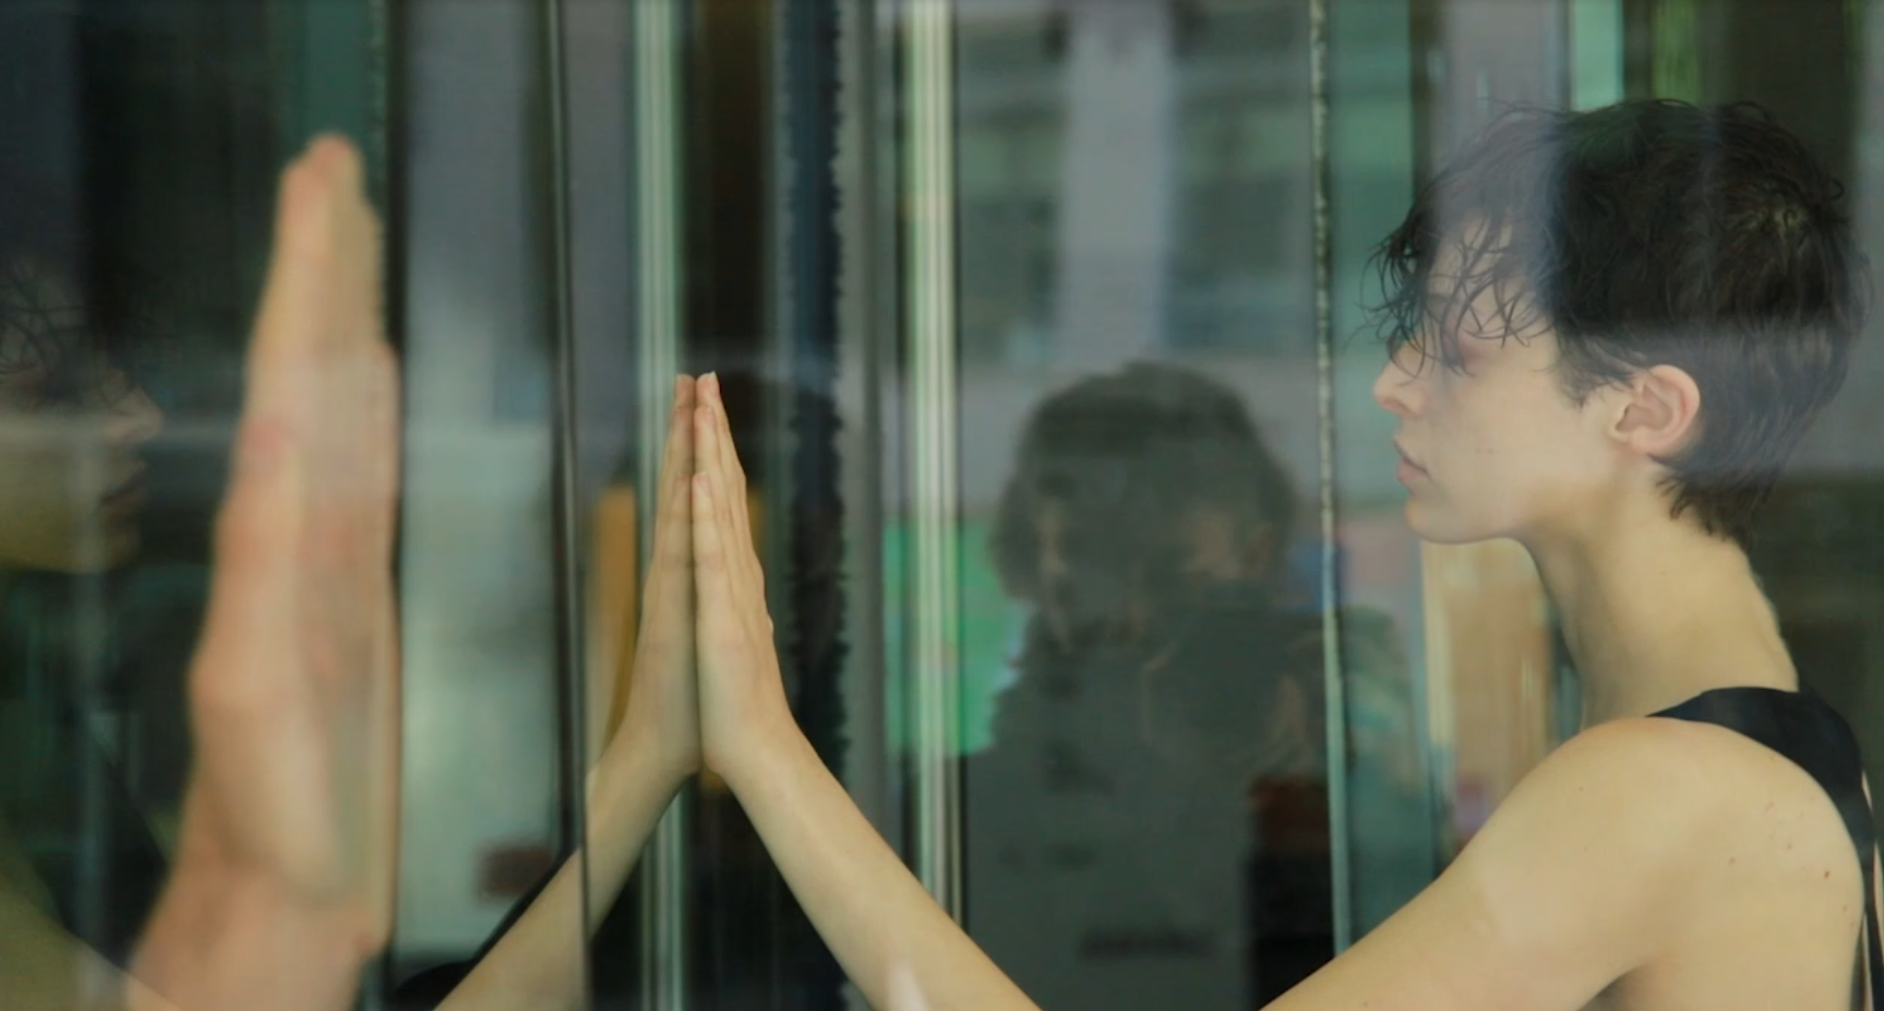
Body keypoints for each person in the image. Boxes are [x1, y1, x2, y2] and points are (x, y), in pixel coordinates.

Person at [668, 97, 1880, 1011]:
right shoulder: (1763, 739)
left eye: (1456, 353)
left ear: (1647, 411)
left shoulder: (1664, 784)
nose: (1395, 385)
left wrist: (765, 745)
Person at [967, 361, 1335, 1008]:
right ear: (1032, 559)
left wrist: (1364, 792)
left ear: (1254, 556)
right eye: (1092, 564)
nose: (1129, 619)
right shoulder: (969, 814)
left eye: (1171, 578)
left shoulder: (1326, 766)